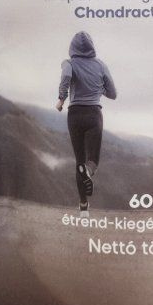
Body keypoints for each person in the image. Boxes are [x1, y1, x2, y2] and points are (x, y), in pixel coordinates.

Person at [56, 32, 117, 214]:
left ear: (72, 47)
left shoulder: (69, 63)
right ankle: (89, 171)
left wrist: (61, 99)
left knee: (79, 161)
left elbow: (66, 77)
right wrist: (98, 89)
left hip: (74, 115)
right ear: (92, 47)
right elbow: (113, 94)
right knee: (92, 160)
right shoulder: (101, 65)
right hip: (93, 114)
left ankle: (83, 207)